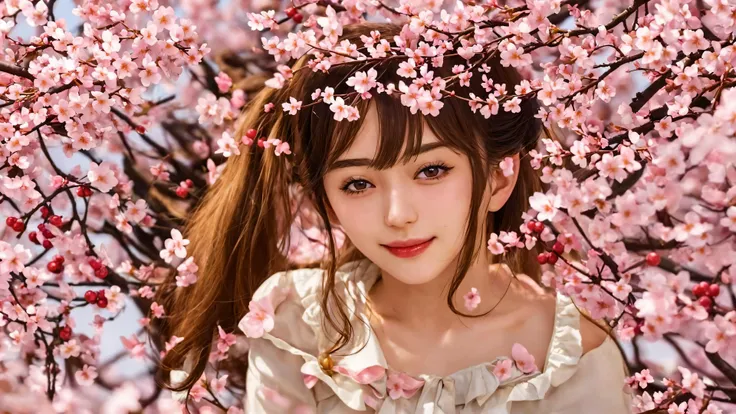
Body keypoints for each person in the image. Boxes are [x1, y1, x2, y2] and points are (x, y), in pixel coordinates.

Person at [157, 22, 632, 413]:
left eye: (431, 170)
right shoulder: (298, 325)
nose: (398, 215)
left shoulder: (571, 358)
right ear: (325, 200)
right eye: (357, 184)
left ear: (499, 180)